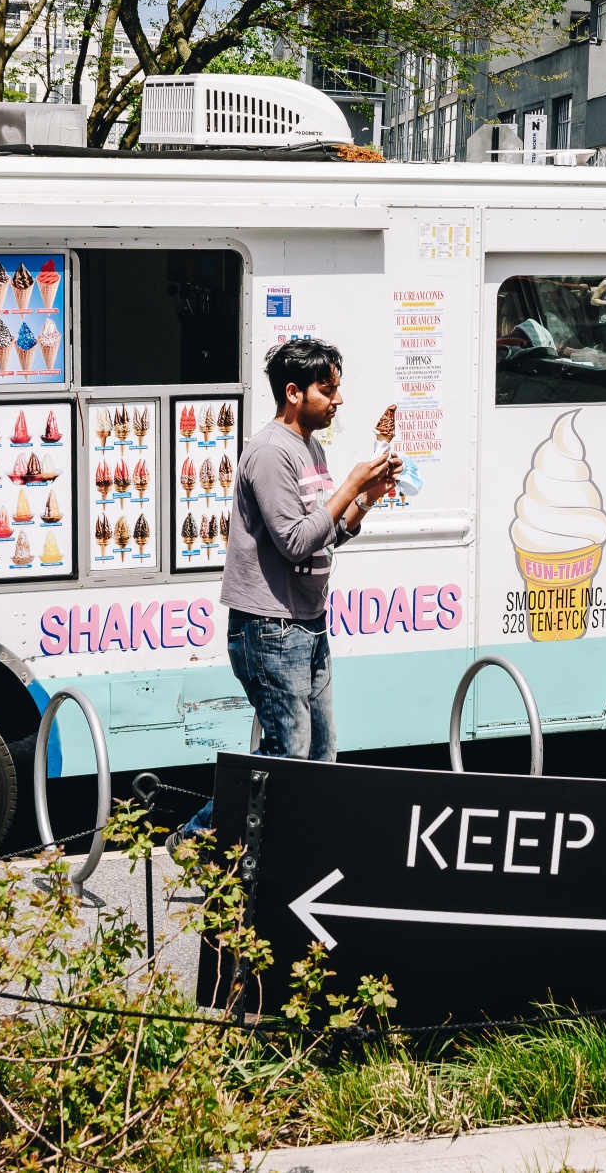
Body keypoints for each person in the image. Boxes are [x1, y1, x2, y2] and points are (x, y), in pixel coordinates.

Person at [177, 338, 399, 838]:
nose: (338, 400)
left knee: (320, 751)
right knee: (286, 750)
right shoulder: (271, 453)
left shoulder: (310, 448)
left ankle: (289, 850)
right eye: (328, 389)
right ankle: (198, 838)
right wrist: (349, 484)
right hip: (270, 629)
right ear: (294, 392)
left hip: (307, 622)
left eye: (338, 388)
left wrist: (365, 498)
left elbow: (328, 534)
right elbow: (296, 543)